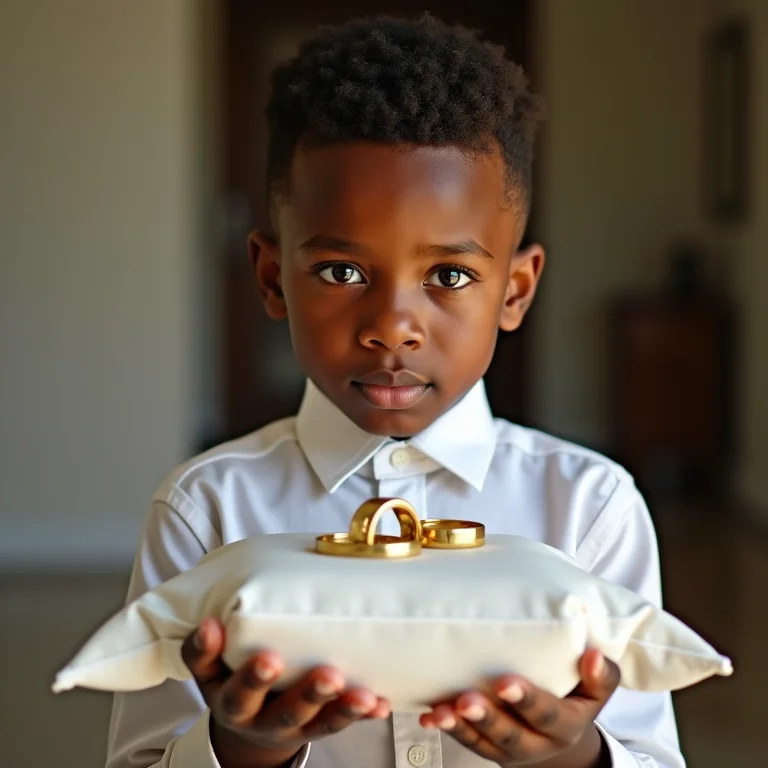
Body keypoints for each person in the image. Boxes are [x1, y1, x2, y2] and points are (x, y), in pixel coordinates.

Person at [106, 13, 685, 768]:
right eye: (342, 272)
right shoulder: (204, 510)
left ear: (515, 290)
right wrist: (242, 747)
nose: (391, 328)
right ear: (272, 277)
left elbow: (651, 752)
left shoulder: (590, 508)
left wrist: (578, 757)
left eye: (449, 276)